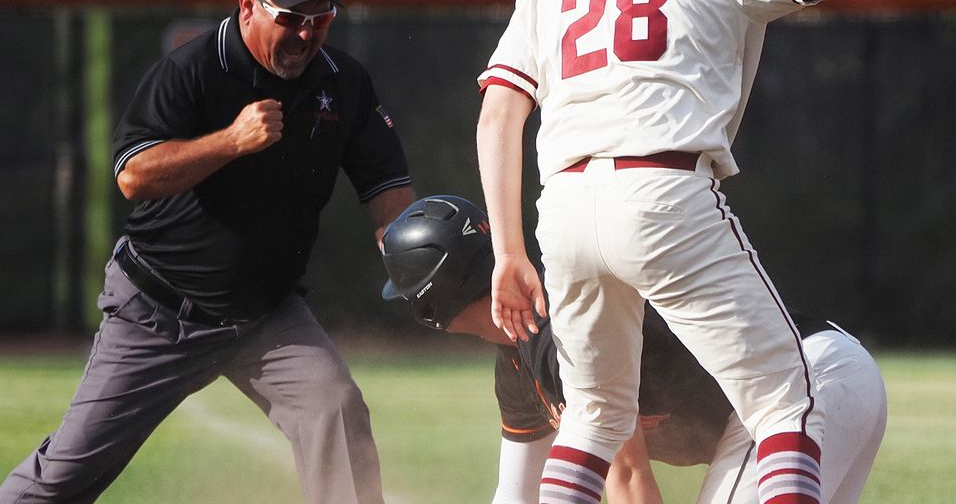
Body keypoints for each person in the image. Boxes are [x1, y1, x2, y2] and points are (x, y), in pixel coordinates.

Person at [476, 0, 956, 504]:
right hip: (662, 190)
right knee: (788, 403)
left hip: (565, 210)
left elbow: (498, 115)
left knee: (593, 422)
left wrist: (509, 252)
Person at [0, 0, 416, 504]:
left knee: (335, 409)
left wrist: (415, 252)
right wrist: (231, 142)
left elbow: (386, 189)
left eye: (321, 16)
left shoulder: (342, 82)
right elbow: (133, 176)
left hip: (266, 317)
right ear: (248, 5)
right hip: (157, 311)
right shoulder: (193, 70)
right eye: (291, 16)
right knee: (67, 474)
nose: (305, 33)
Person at [379, 195, 887, 504]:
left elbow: (629, 480)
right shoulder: (520, 358)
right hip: (821, 378)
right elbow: (517, 493)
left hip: (801, 385)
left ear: (430, 310)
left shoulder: (565, 335)